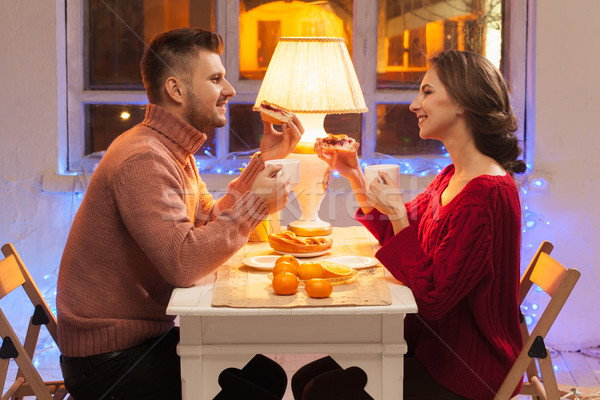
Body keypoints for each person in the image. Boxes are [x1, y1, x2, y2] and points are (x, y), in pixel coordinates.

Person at [56, 27, 303, 399]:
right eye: (216, 79)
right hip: (107, 360)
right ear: (175, 89)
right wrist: (257, 206)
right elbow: (184, 263)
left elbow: (207, 220)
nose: (230, 90)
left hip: (141, 339)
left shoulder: (172, 151)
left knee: (267, 375)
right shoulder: (144, 158)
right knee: (259, 392)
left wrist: (264, 161)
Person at [315, 50, 526, 400]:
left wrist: (398, 215)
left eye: (427, 92)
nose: (415, 105)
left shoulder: (486, 194)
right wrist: (354, 176)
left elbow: (431, 299)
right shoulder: (452, 177)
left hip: (467, 372)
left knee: (323, 390)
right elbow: (403, 238)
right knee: (314, 376)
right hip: (430, 350)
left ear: (463, 102)